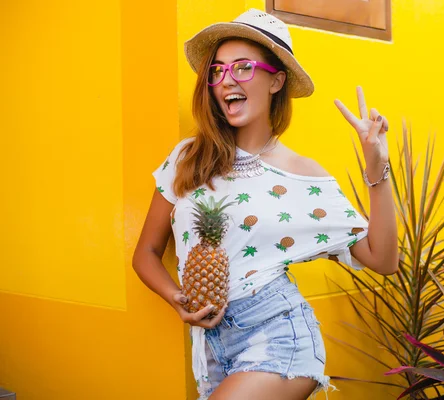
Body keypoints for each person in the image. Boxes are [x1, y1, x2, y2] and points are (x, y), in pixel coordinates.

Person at [132, 8, 398, 400]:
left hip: (279, 334)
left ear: (276, 81)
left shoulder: (302, 174)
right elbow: (145, 253)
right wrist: (178, 300)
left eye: (242, 68)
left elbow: (383, 259)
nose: (226, 81)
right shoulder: (188, 158)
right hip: (210, 346)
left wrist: (379, 169)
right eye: (217, 71)